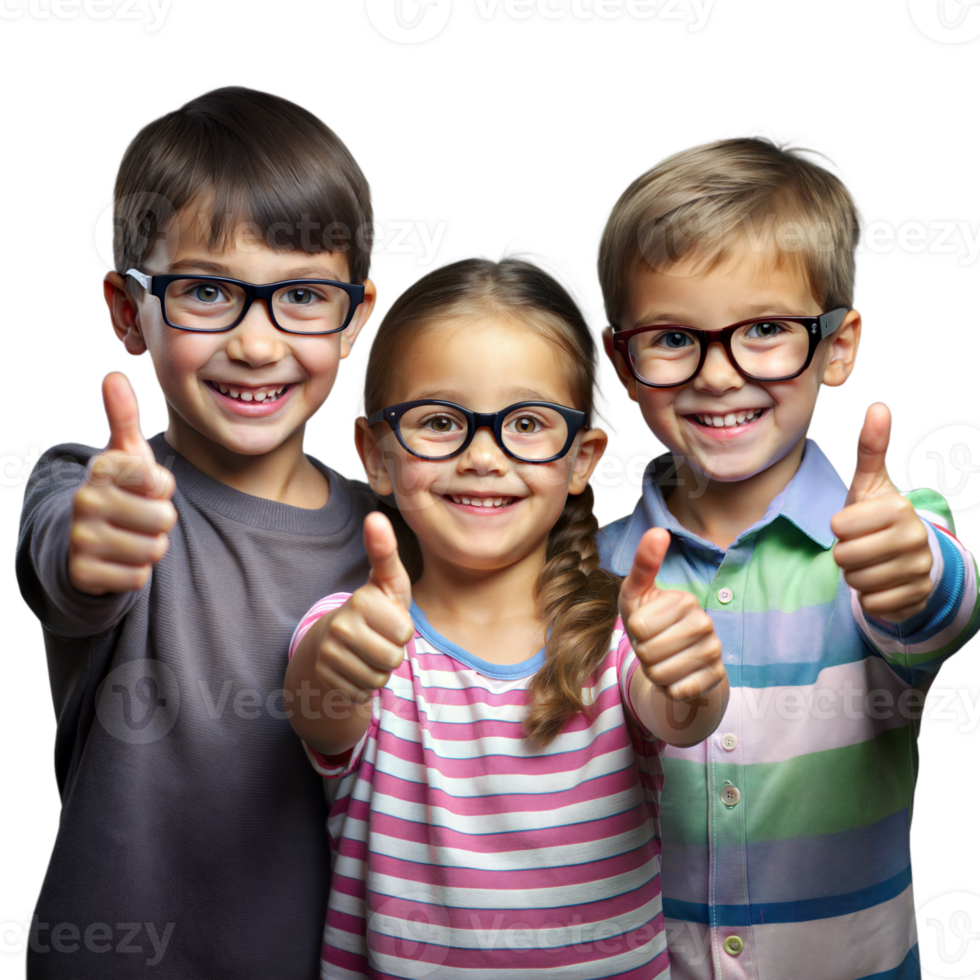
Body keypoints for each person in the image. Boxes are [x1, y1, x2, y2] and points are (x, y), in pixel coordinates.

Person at [591, 126, 980, 980]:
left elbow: (937, 606)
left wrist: (912, 571)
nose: (720, 373)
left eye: (765, 328)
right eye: (672, 336)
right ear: (622, 360)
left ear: (838, 345)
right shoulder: (593, 570)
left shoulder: (885, 531)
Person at [283, 238, 730, 979]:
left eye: (526, 424)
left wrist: (694, 683)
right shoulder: (358, 630)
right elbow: (320, 702)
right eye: (438, 420)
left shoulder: (623, 637)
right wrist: (339, 660)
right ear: (375, 453)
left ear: (584, 457)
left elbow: (682, 715)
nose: (484, 456)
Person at [14, 84, 380, 979]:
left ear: (358, 315)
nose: (257, 345)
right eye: (208, 291)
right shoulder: (93, 483)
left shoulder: (389, 533)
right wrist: (100, 539)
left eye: (301, 296)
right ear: (127, 311)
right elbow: (70, 560)